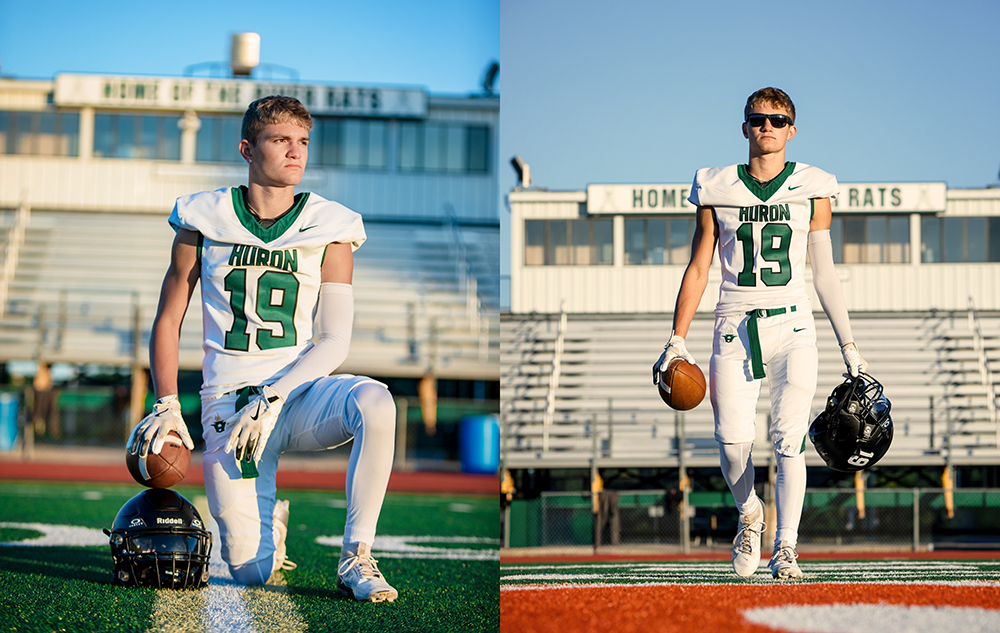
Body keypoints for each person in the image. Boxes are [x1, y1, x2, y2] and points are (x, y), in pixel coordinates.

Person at [126, 96, 398, 602]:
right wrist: (166, 401)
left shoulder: (332, 224)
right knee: (251, 574)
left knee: (376, 402)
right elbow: (168, 317)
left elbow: (335, 339)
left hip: (297, 395)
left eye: (303, 142)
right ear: (248, 149)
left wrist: (273, 396)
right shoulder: (202, 216)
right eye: (281, 141)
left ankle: (356, 557)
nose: (296, 153)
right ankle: (270, 523)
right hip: (229, 401)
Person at [653, 87, 867, 580]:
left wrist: (849, 346)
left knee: (788, 438)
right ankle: (750, 514)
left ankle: (786, 547)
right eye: (758, 119)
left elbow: (825, 272)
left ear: (792, 130)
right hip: (734, 322)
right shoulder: (716, 186)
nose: (767, 126)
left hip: (793, 322)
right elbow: (699, 265)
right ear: (745, 127)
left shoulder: (814, 185)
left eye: (778, 119)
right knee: (731, 441)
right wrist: (676, 337)